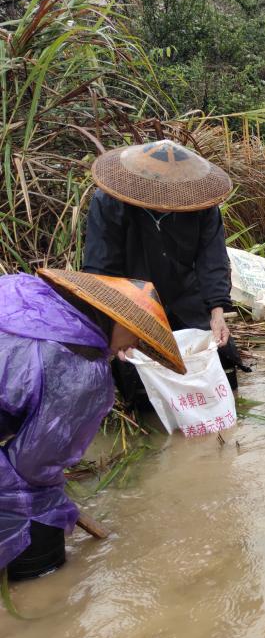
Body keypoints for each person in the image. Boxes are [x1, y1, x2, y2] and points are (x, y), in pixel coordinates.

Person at [0, 268, 185, 581]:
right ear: (116, 319)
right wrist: (54, 502)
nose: (133, 346)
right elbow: (33, 468)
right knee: (40, 530)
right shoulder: (82, 371)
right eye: (136, 335)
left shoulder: (20, 289)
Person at [83, 140, 244, 405]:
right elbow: (101, 269)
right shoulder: (110, 202)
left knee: (221, 355)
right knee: (135, 376)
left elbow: (212, 259)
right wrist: (118, 324)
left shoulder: (202, 205)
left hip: (185, 297)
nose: (166, 201)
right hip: (134, 305)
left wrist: (217, 313)